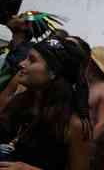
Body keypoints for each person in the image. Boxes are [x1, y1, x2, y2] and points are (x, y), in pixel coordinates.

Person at [0, 37, 91, 170]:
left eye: (32, 60)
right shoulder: (20, 101)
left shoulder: (73, 124)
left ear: (53, 72)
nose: (21, 63)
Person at [0, 11, 63, 110]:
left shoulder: (25, 55)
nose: (13, 15)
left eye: (20, 16)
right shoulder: (11, 48)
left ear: (25, 26)